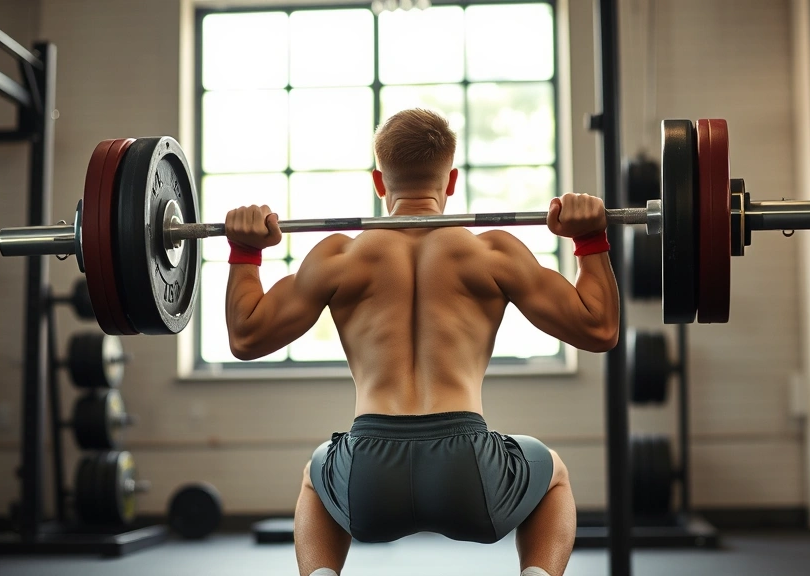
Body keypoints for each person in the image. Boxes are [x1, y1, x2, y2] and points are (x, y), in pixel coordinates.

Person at [224, 109, 619, 576]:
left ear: (378, 181)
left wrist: (245, 253)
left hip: (367, 478)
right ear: (451, 181)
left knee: (316, 474)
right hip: (470, 473)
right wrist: (590, 239)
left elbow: (245, 336)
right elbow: (600, 329)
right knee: (552, 474)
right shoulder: (493, 253)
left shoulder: (337, 257)